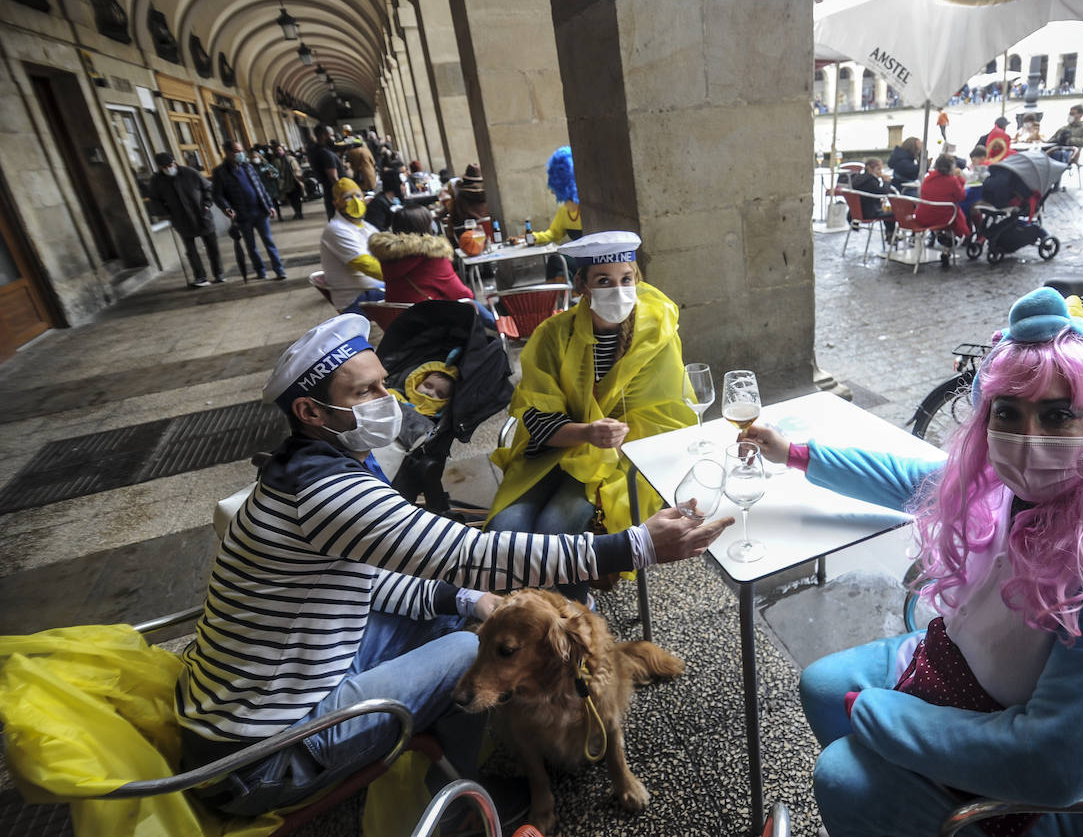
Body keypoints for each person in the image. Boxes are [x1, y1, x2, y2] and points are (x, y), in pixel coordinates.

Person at [174, 313, 729, 823]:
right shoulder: (326, 494)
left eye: (382, 383)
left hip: (250, 711)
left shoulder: (297, 470)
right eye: (364, 391)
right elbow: (470, 554)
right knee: (468, 652)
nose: (386, 398)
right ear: (311, 412)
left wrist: (467, 601)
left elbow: (377, 581)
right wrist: (633, 546)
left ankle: (450, 740)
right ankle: (467, 801)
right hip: (258, 761)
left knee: (465, 621)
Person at [740, 288, 1083, 837]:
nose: (1024, 439)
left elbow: (1054, 764)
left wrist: (877, 716)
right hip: (994, 681)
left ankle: (884, 797)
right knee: (824, 686)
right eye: (1008, 413)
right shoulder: (1013, 482)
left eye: (1059, 415)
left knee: (843, 774)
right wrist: (796, 453)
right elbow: (909, 477)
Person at [487, 232, 697, 604]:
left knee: (555, 527)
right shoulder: (552, 335)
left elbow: (667, 414)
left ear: (637, 278)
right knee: (507, 531)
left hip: (625, 455)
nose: (618, 290)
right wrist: (588, 432)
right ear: (581, 284)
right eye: (604, 281)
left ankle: (575, 605)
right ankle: (533, 610)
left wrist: (607, 439)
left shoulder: (655, 333)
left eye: (625, 279)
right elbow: (536, 418)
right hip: (557, 447)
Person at [368, 203, 477, 305]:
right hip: (433, 319)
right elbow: (463, 294)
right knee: (475, 305)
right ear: (427, 226)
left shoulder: (387, 256)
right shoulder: (434, 257)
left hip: (400, 321)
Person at [211, 140, 287, 281]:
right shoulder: (220, 172)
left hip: (260, 211)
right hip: (242, 215)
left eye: (241, 150)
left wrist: (269, 205)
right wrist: (226, 207)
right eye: (237, 151)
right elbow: (217, 195)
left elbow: (260, 187)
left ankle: (279, 270)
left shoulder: (248, 167)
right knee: (251, 246)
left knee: (268, 241)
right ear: (227, 153)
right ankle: (260, 271)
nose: (241, 154)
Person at [148, 151, 223, 287]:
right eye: (164, 167)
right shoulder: (157, 180)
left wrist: (206, 204)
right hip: (180, 218)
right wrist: (165, 213)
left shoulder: (190, 173)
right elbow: (154, 199)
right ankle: (200, 277)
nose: (168, 169)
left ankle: (219, 274)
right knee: (191, 250)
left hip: (201, 215)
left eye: (170, 165)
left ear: (175, 162)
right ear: (159, 167)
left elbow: (208, 188)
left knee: (212, 247)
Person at [321, 178, 385, 313]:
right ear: (336, 203)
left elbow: (386, 248)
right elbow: (365, 264)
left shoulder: (366, 226)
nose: (355, 201)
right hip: (356, 298)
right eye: (347, 197)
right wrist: (398, 276)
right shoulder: (336, 230)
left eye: (357, 195)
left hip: (371, 288)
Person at [532, 146, 584, 281]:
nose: (551, 191)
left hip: (594, 259)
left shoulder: (588, 208)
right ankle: (562, 299)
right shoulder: (564, 211)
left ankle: (561, 299)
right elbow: (554, 234)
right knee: (556, 262)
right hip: (578, 257)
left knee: (557, 262)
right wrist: (531, 237)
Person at [914, 154, 969, 239]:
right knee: (958, 212)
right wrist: (960, 179)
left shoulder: (928, 178)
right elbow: (961, 197)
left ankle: (944, 237)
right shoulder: (952, 181)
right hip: (942, 218)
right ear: (951, 167)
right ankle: (957, 239)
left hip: (923, 217)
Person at [852, 157, 897, 242]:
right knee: (894, 213)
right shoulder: (870, 181)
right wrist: (886, 181)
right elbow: (883, 192)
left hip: (858, 212)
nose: (880, 172)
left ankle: (890, 234)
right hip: (869, 212)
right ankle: (891, 234)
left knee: (887, 211)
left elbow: (872, 194)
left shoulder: (858, 178)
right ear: (869, 168)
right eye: (878, 169)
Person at [307, 124, 343, 220]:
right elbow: (333, 177)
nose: (333, 138)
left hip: (329, 192)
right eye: (331, 135)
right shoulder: (325, 153)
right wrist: (344, 192)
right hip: (335, 194)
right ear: (324, 135)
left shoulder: (316, 150)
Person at [271, 142, 306, 221]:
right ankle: (297, 212)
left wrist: (297, 175)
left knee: (297, 198)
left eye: (280, 149)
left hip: (294, 181)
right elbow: (275, 171)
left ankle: (299, 213)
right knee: (291, 199)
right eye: (277, 150)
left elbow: (297, 168)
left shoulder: (290, 158)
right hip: (285, 183)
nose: (279, 151)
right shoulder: (275, 161)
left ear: (283, 150)